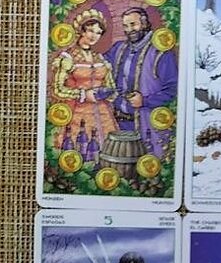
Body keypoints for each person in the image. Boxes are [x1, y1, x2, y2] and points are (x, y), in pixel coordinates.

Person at [105, 8, 179, 159]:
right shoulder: (118, 48)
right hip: (118, 123)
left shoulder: (160, 52)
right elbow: (97, 64)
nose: (129, 30)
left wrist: (144, 101)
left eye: (133, 24)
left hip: (147, 125)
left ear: (145, 23)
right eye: (125, 26)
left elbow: (173, 90)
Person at [49, 9, 118, 154]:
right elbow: (57, 90)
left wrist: (109, 93)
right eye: (90, 31)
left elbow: (110, 86)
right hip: (77, 112)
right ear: (82, 31)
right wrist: (83, 94)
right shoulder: (68, 57)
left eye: (98, 33)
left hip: (103, 114)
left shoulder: (100, 58)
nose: (94, 36)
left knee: (108, 151)